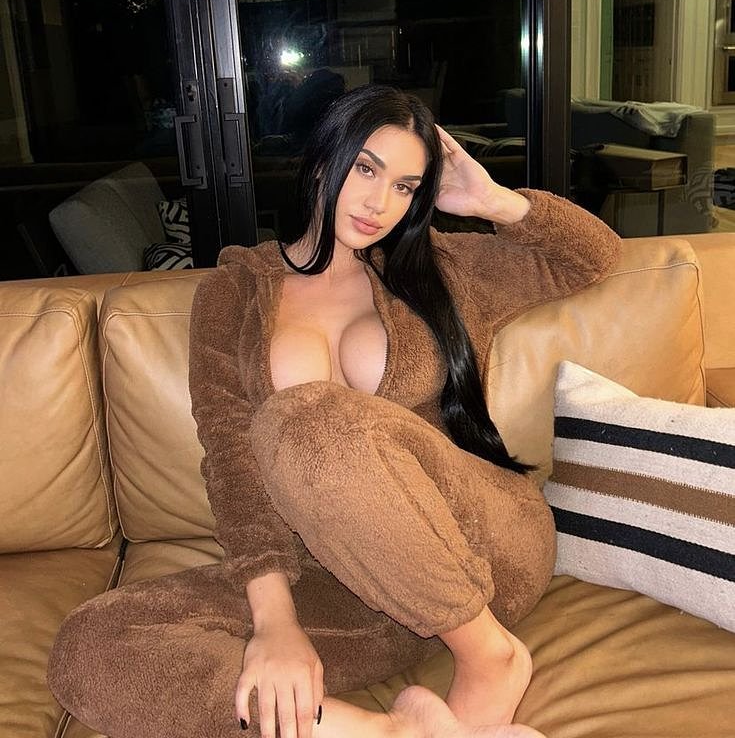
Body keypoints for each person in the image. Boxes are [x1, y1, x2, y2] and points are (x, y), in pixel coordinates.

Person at [47, 85, 621, 738]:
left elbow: (593, 257)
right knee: (94, 646)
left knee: (309, 419)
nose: (379, 203)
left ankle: (490, 656)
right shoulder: (234, 292)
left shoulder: (443, 267)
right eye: (365, 169)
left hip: (481, 546)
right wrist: (276, 624)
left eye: (405, 186)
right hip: (351, 583)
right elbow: (231, 459)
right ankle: (391, 733)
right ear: (323, 160)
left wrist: (490, 201)